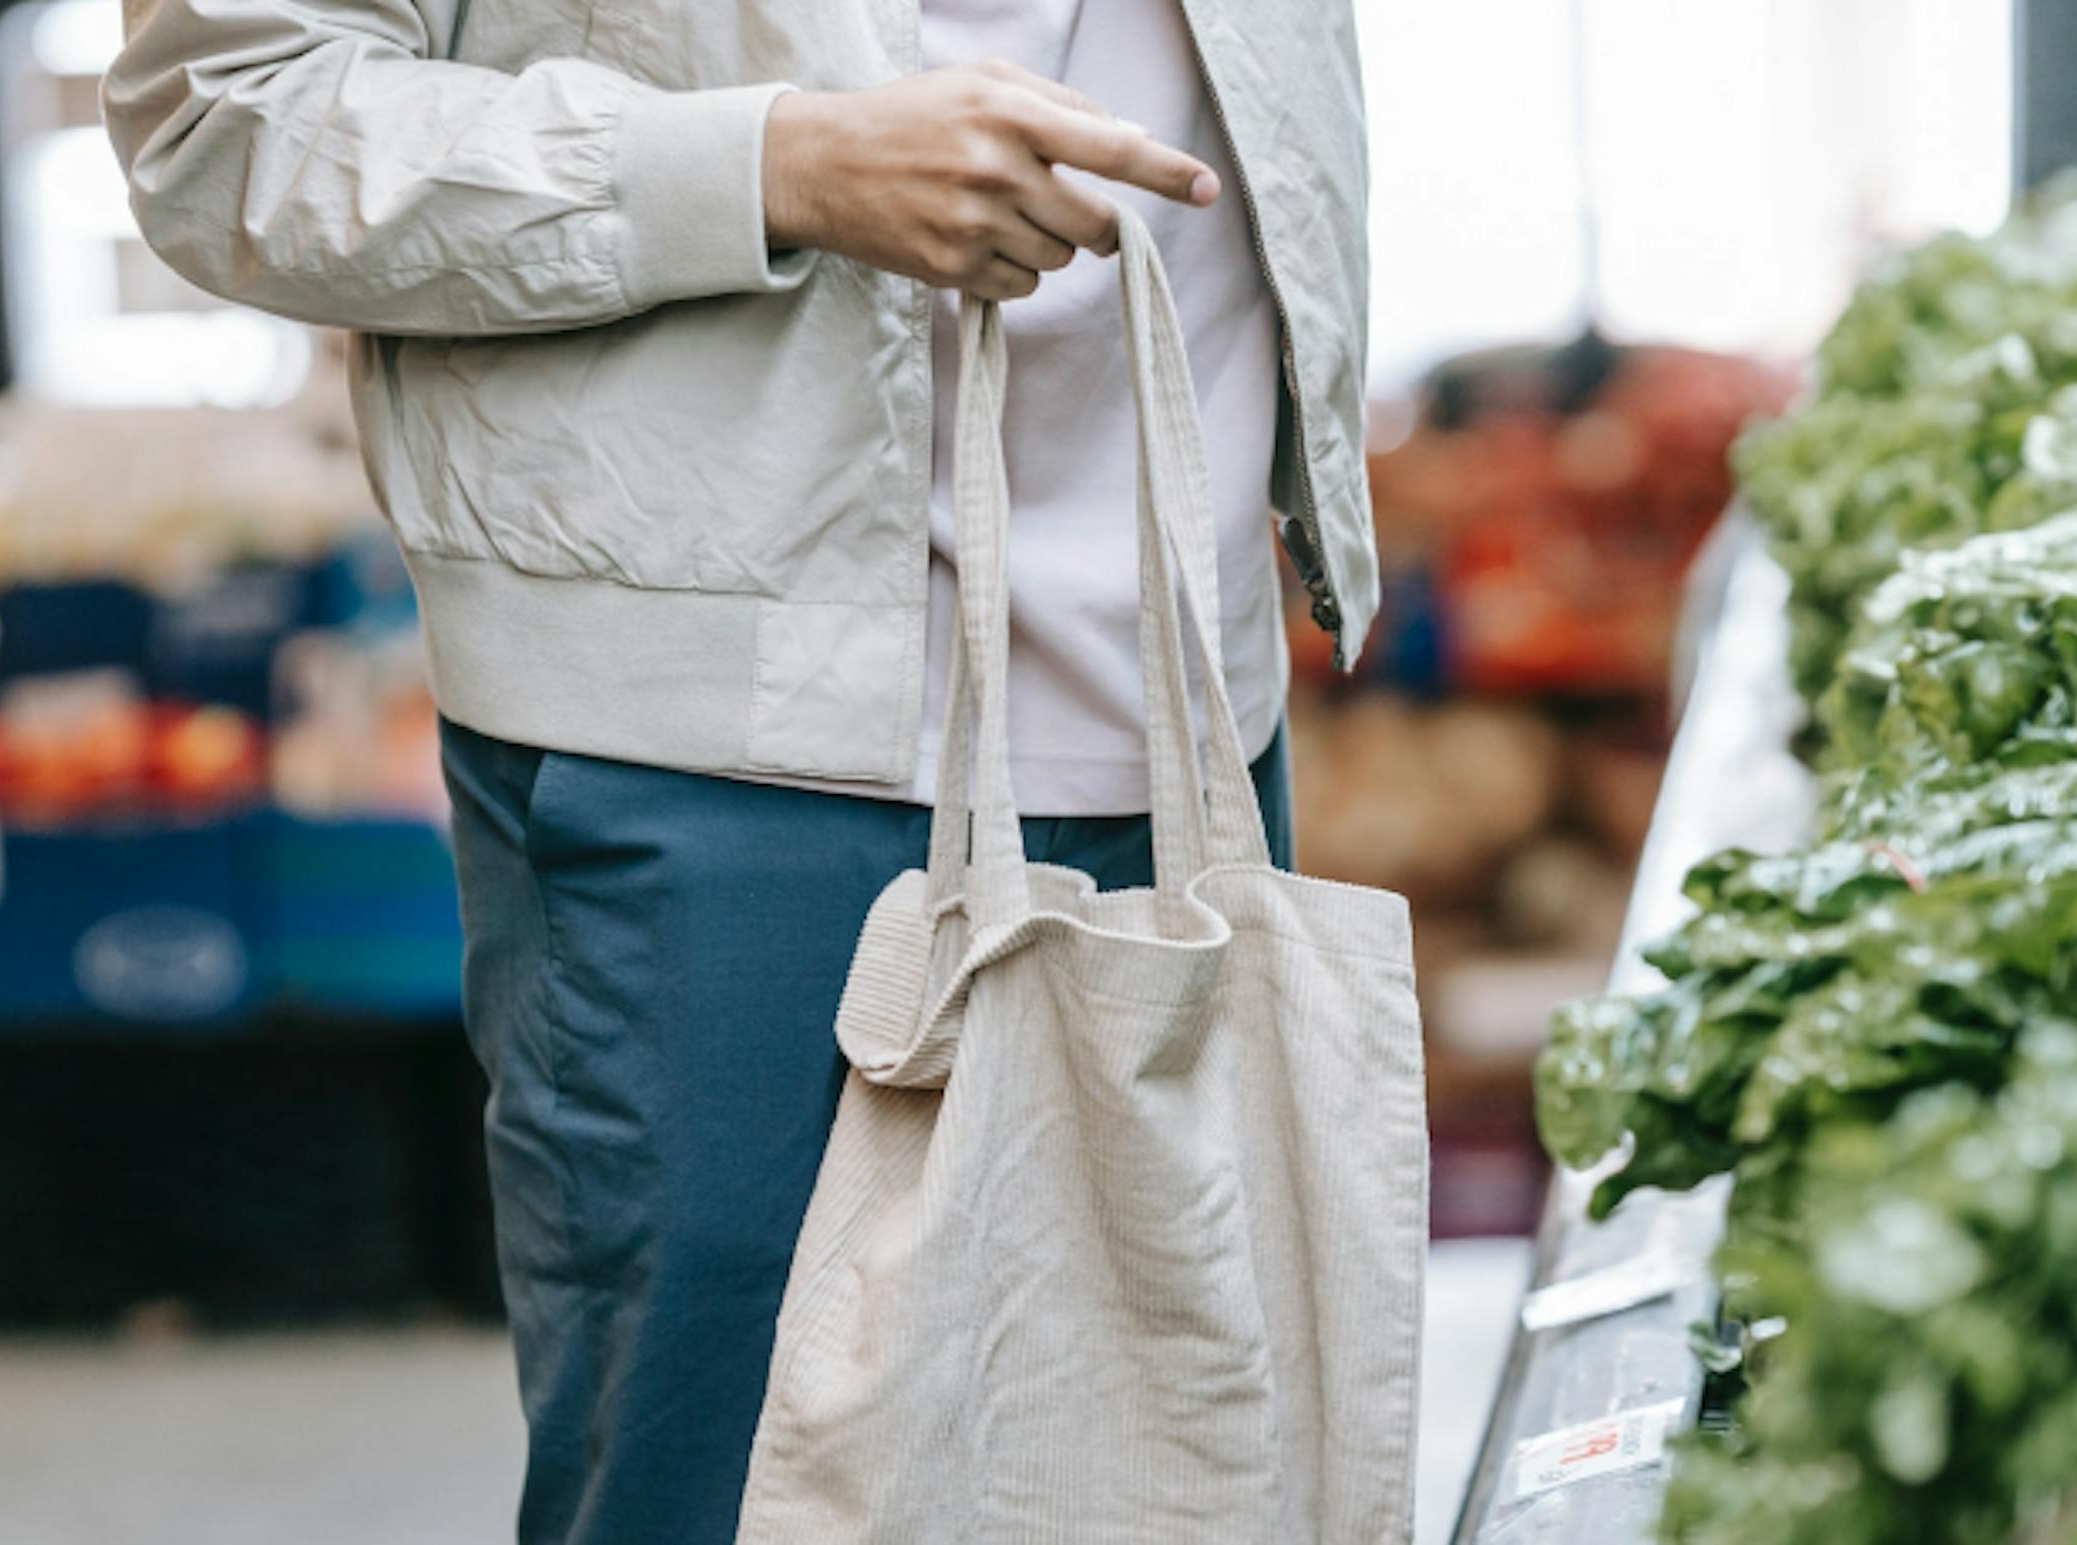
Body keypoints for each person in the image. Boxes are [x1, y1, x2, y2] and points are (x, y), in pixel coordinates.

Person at [106, 0, 1375, 1537]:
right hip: (712, 750)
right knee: (717, 1494)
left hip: (1187, 706)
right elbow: (227, 117)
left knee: (1177, 1482)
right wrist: (765, 167)